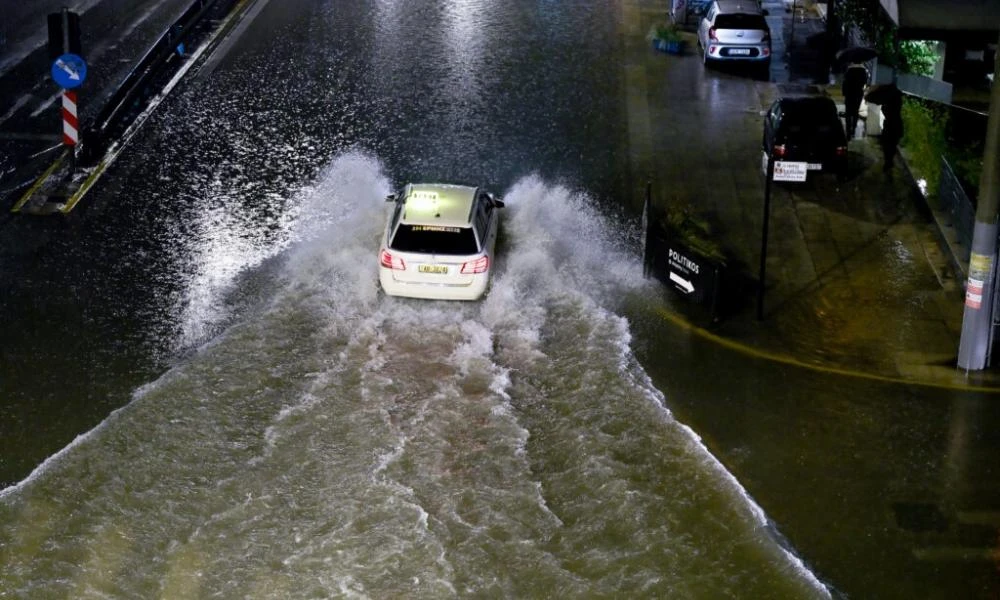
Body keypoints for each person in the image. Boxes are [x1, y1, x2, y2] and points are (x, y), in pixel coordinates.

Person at [878, 84, 904, 174]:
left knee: (887, 145)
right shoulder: (898, 100)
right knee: (892, 145)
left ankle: (888, 162)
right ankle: (889, 161)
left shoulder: (888, 101)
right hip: (896, 125)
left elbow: (884, 110)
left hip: (890, 125)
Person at [841, 62, 869, 139]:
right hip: (858, 93)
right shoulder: (863, 71)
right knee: (855, 111)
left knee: (848, 112)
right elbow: (865, 82)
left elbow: (845, 82)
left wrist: (844, 93)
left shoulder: (849, 70)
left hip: (849, 93)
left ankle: (848, 131)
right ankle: (853, 129)